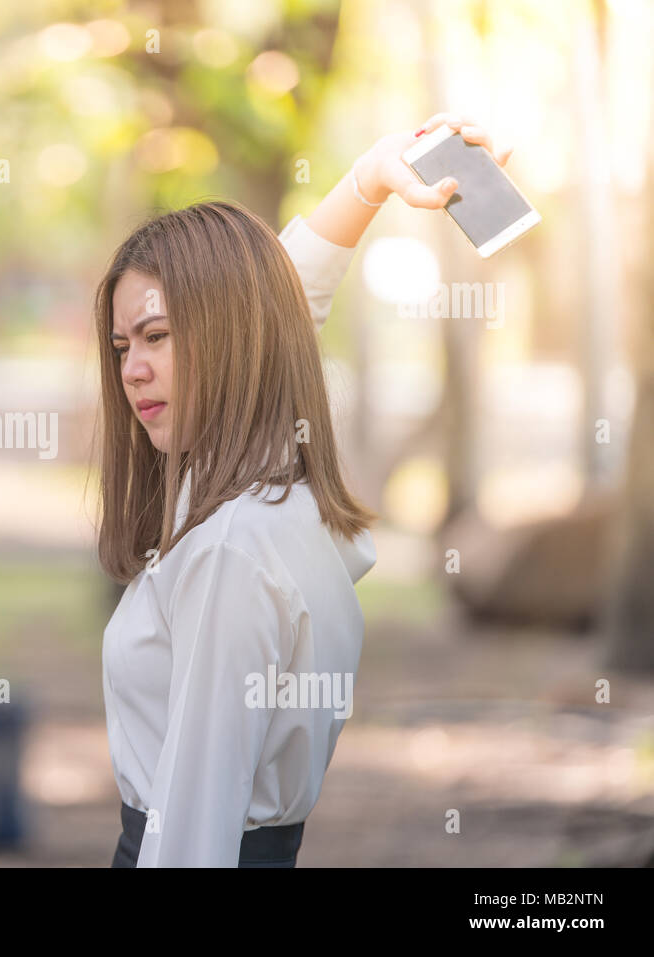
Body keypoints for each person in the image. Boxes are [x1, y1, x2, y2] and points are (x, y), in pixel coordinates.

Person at [98, 113, 514, 867]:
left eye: (157, 337)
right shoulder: (254, 486)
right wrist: (370, 180)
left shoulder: (229, 546)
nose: (131, 369)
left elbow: (194, 828)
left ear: (230, 337)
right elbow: (283, 296)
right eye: (123, 345)